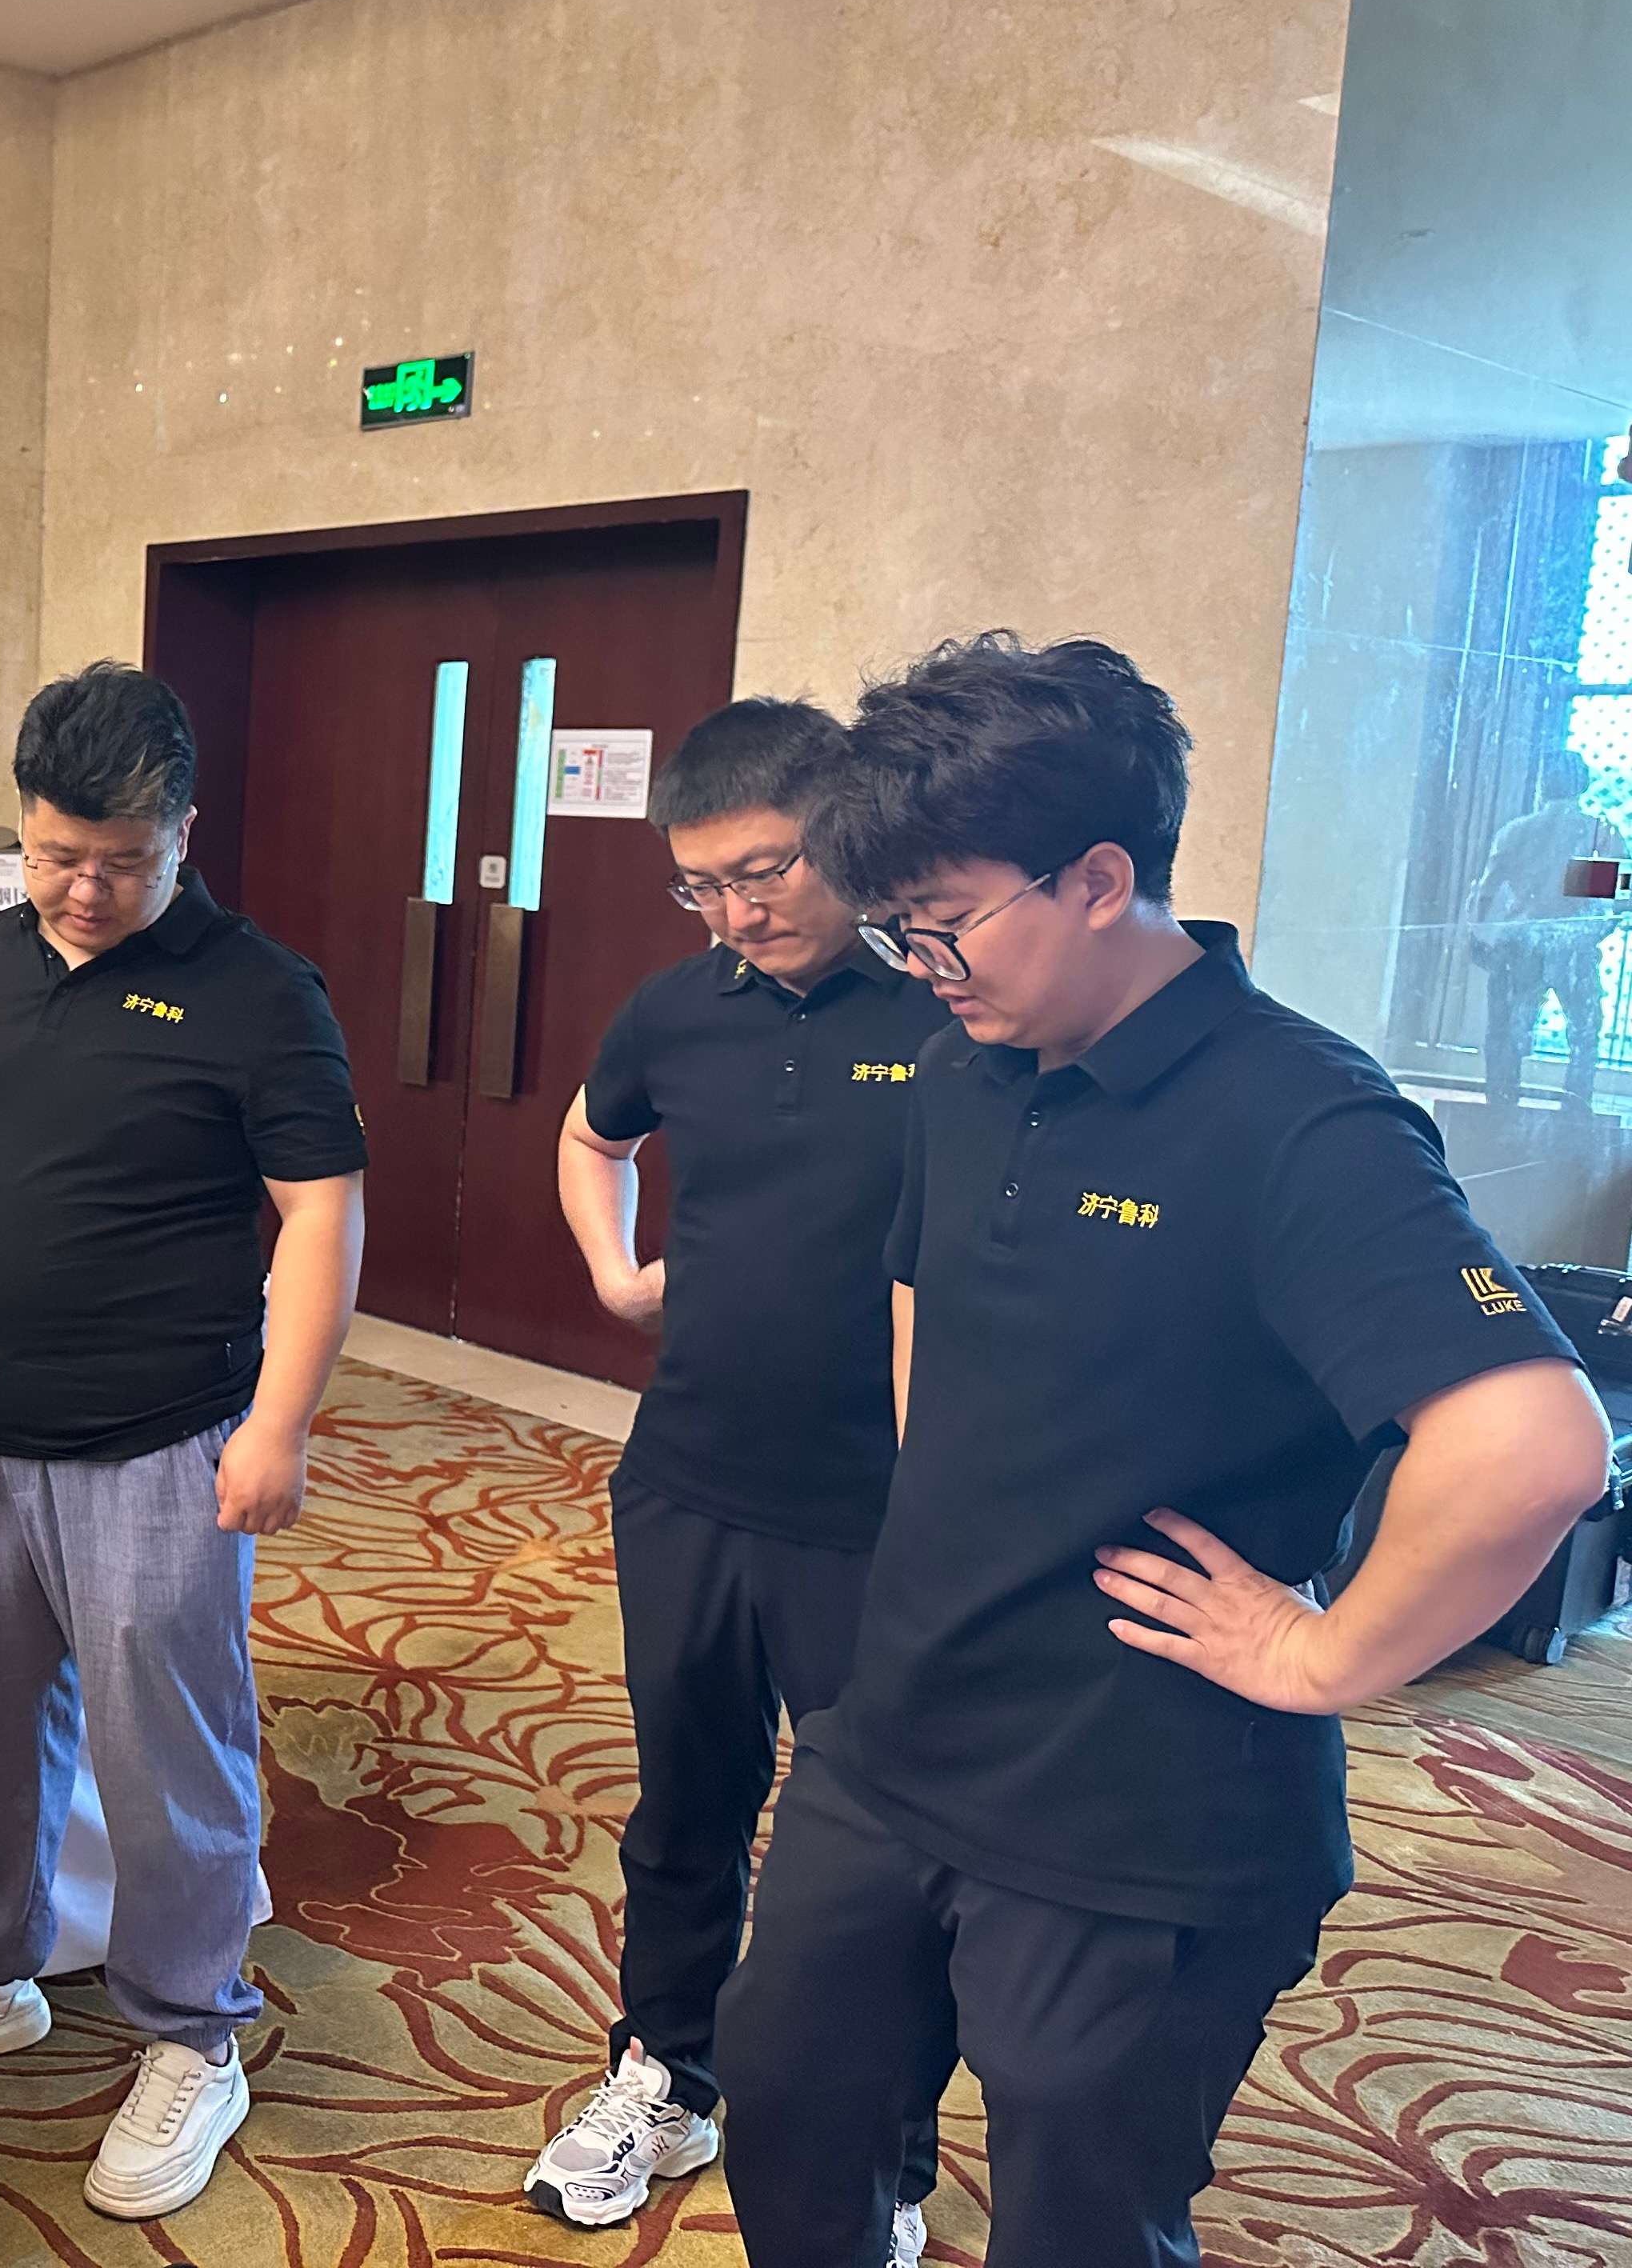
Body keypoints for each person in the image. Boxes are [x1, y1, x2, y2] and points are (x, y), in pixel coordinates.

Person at [715, 634, 1609, 2268]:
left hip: (1142, 1815)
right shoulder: (961, 1065)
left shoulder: (1300, 1119)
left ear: (1100, 877)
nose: (921, 963)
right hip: (894, 1740)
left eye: (944, 920)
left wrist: (1329, 1652)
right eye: (895, 927)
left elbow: (1534, 1441)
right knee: (784, 2112)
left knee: (1079, 2223)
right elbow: (927, 1308)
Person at [0, 662, 366, 2222]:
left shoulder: (261, 992)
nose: (79, 889)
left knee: (162, 1751)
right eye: (54, 854)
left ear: (184, 832)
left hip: (159, 1441)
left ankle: (196, 2030)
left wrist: (279, 1421)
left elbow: (320, 1216)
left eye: (119, 862)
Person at [521, 700, 938, 2262]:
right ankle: (667, 2072)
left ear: (846, 833)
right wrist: (612, 1271)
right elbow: (591, 1136)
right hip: (687, 1477)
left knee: (874, 1849)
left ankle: (884, 2150)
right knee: (684, 1800)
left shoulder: (948, 1009)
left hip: (877, 1509)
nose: (735, 914)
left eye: (762, 872)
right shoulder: (678, 1006)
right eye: (700, 884)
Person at [1465, 746, 1622, 1113]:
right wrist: (1590, 931)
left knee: (1507, 1031)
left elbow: (1486, 894)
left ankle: (1501, 1107)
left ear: (1541, 783)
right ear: (1582, 784)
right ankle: (1575, 1109)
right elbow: (1619, 897)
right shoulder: (1597, 833)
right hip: (1571, 945)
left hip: (1522, 942)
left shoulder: (1516, 832)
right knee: (1583, 1033)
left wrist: (1480, 938)